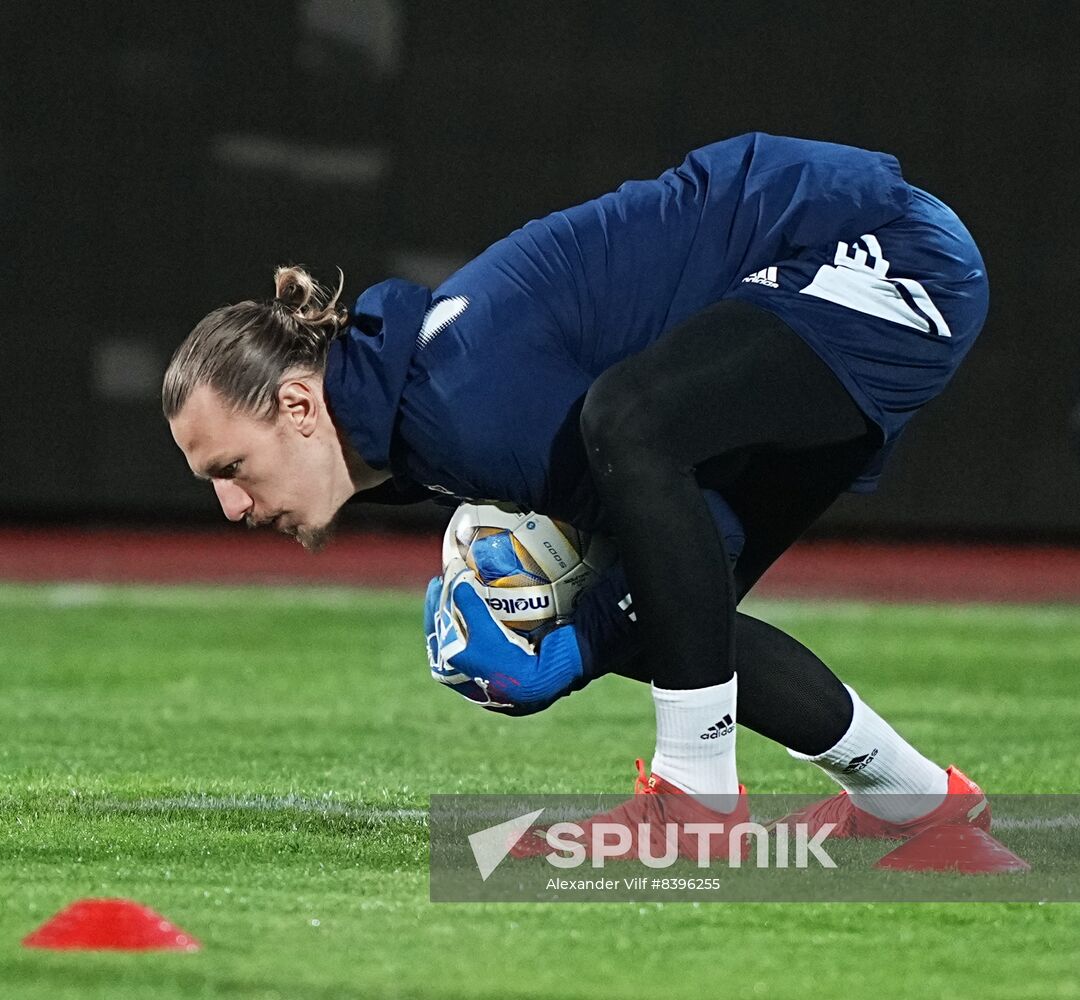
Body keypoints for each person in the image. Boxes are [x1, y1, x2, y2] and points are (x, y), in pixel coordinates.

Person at [163, 132, 991, 855]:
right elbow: (685, 550)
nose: (231, 509)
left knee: (631, 435)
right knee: (660, 601)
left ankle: (696, 800)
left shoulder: (457, 405)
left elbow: (687, 512)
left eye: (230, 469)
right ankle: (914, 802)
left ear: (299, 406)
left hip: (875, 246)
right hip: (806, 280)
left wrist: (568, 653)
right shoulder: (414, 418)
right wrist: (585, 638)